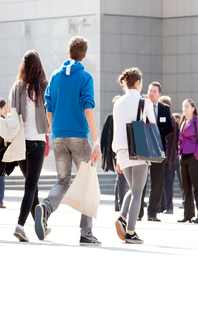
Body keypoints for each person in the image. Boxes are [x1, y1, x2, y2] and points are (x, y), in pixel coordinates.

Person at [35, 37, 102, 246]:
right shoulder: (85, 77)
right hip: (79, 137)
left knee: (63, 181)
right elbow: (88, 108)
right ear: (83, 55)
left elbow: (49, 108)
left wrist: (55, 130)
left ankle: (45, 208)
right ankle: (86, 233)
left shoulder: (55, 77)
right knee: (88, 182)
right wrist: (96, 141)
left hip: (59, 136)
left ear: (69, 52)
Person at [8, 51, 50, 242]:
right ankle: (20, 224)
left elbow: (11, 113)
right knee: (31, 185)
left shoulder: (16, 87)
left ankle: (41, 226)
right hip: (37, 141)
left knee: (32, 187)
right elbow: (49, 111)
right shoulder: (43, 86)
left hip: (20, 142)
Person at [111, 68, 152, 244]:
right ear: (137, 82)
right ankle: (131, 231)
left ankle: (122, 218)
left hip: (121, 151)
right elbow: (153, 125)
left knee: (132, 188)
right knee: (137, 192)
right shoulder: (144, 102)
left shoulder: (118, 102)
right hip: (139, 148)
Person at [144, 82, 173, 221]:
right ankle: (138, 213)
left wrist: (154, 132)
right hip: (144, 148)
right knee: (141, 181)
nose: (151, 93)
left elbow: (170, 127)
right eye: (150, 90)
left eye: (154, 91)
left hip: (159, 148)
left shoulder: (165, 109)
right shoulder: (141, 106)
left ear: (159, 94)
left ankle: (152, 213)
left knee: (157, 182)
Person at [177, 99, 198, 224]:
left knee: (197, 187)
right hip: (183, 157)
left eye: (187, 106)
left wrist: (197, 154)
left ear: (193, 108)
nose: (184, 108)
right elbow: (180, 139)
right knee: (186, 188)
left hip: (194, 157)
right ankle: (188, 215)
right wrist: (179, 152)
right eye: (183, 106)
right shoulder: (183, 122)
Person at [101, 95, 127, 212]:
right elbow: (104, 136)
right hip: (115, 152)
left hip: (123, 150)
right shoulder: (111, 117)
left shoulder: (124, 116)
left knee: (120, 178)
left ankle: (119, 203)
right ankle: (120, 204)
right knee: (121, 177)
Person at [159, 96, 178, 214]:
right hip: (167, 155)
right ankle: (163, 205)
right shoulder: (171, 119)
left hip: (166, 155)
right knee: (162, 181)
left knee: (166, 182)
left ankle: (168, 206)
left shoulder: (169, 119)